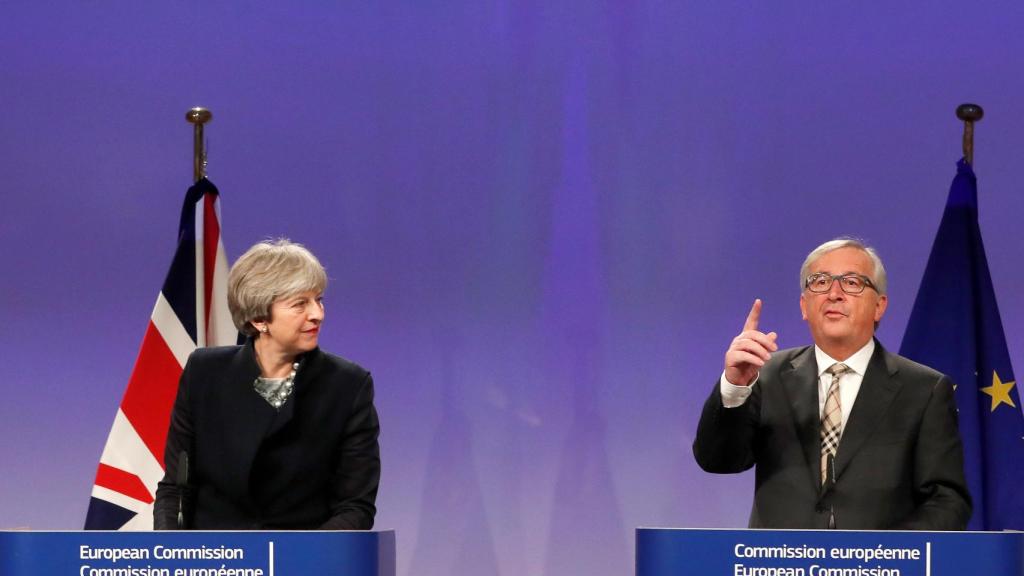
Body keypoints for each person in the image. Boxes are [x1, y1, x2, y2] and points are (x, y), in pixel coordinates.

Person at [693, 238, 971, 530]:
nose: (834, 293)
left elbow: (947, 501)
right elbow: (718, 461)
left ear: (879, 306)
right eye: (820, 282)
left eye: (851, 282)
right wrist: (735, 386)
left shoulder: (925, 389)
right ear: (804, 305)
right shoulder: (766, 374)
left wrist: (886, 555)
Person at [154, 239, 380, 530]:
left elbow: (355, 507)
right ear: (259, 318)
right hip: (217, 560)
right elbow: (176, 487)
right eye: (300, 304)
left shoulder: (348, 386)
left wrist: (297, 560)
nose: (318, 314)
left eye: (319, 300)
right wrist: (171, 555)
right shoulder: (204, 374)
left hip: (302, 562)